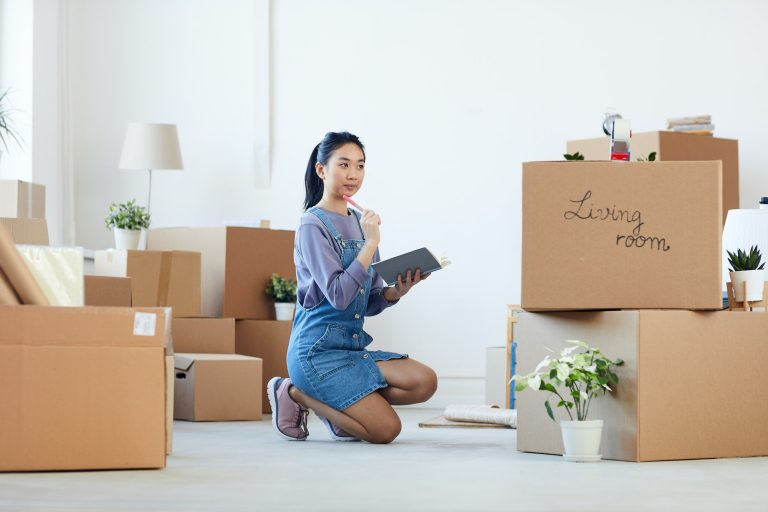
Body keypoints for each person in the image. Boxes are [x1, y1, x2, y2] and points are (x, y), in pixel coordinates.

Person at [267, 131, 438, 444]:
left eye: (360, 166)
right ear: (322, 170)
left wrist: (395, 292)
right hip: (316, 354)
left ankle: (345, 411)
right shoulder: (311, 224)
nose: (353, 174)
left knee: (424, 382)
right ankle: (292, 391)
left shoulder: (361, 221)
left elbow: (368, 301)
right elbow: (339, 294)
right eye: (343, 165)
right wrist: (370, 242)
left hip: (351, 350)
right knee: (386, 430)